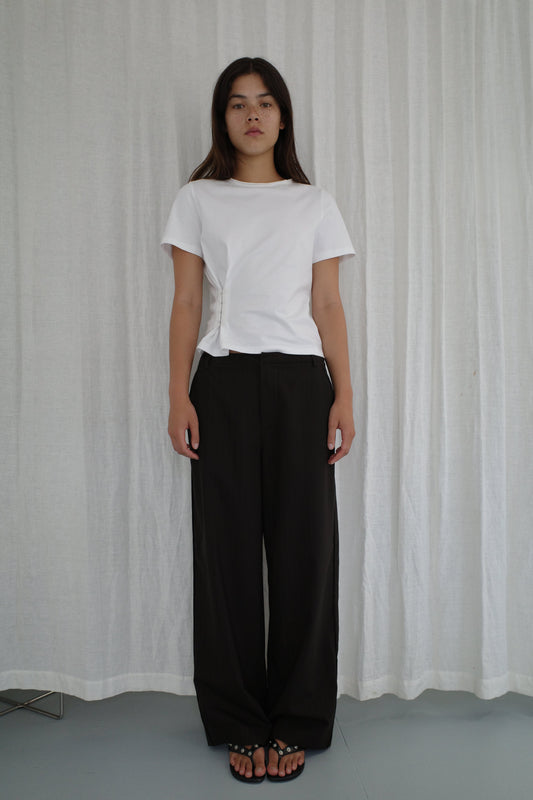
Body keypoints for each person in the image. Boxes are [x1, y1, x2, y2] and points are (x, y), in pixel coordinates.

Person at [160, 56, 355, 784]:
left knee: (307, 554)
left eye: (265, 102)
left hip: (303, 384)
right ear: (223, 118)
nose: (252, 114)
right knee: (227, 559)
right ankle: (241, 720)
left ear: (282, 117)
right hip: (225, 383)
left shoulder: (313, 203)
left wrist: (344, 394)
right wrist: (178, 395)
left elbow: (327, 303)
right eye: (238, 103)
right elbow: (185, 305)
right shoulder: (198, 199)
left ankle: (300, 719)